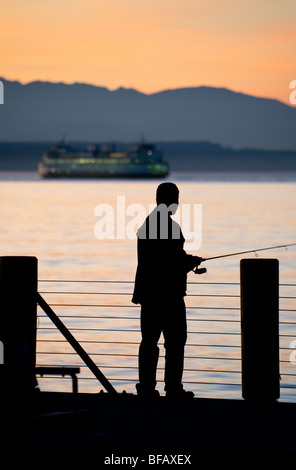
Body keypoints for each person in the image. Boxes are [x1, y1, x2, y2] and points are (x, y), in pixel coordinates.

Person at [132, 182, 202, 400]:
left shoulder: (150, 223)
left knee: (150, 341)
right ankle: (172, 388)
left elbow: (165, 257)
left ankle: (146, 388)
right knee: (175, 341)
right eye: (176, 198)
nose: (177, 203)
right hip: (168, 295)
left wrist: (187, 261)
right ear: (171, 200)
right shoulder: (166, 225)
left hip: (150, 294)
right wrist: (189, 262)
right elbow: (169, 260)